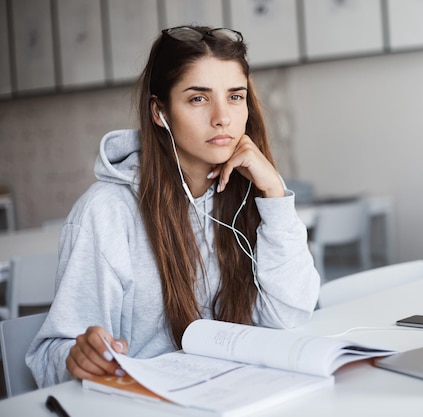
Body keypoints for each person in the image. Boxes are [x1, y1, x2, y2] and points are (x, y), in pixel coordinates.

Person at [26, 25, 320, 387]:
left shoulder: (246, 194)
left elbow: (288, 315)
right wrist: (77, 357)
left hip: (233, 394)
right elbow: (51, 359)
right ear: (159, 112)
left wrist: (274, 194)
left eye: (235, 96)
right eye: (198, 98)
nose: (222, 117)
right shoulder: (106, 213)